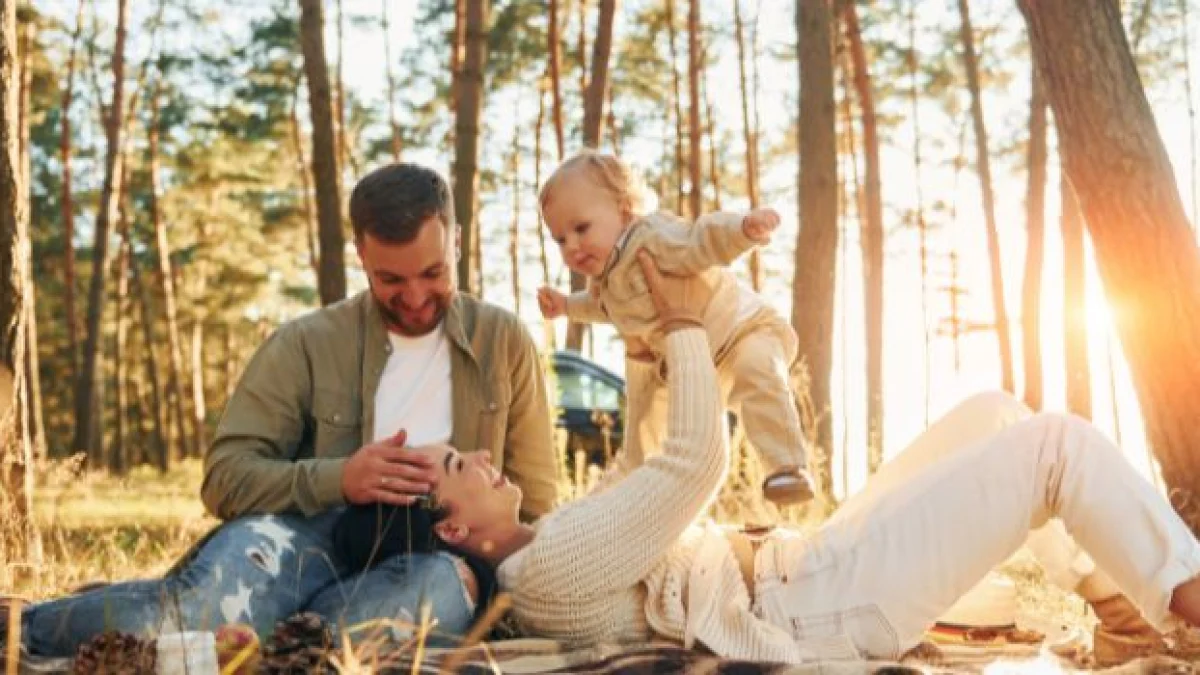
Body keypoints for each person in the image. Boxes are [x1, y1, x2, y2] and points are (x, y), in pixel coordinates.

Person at [383, 251, 1200, 664]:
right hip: (816, 609)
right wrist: (682, 325)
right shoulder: (550, 567)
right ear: (454, 531)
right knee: (1054, 443)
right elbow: (695, 463)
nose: (486, 459)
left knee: (994, 412)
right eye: (461, 465)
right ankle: (1188, 593)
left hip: (805, 565)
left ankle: (1124, 610)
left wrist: (647, 343)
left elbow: (643, 467)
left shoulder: (553, 538)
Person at [9, 163, 560, 657]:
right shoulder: (306, 343)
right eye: (390, 279)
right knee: (179, 619)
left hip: (433, 559)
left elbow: (534, 501)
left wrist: (492, 579)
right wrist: (338, 479)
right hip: (304, 537)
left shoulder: (503, 341)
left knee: (422, 599)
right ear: (361, 255)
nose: (415, 297)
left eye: (433, 273)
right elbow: (225, 479)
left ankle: (254, 652)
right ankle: (20, 625)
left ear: (456, 242)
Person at [535, 150, 813, 507]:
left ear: (623, 211)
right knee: (650, 417)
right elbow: (604, 309)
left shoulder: (650, 238)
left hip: (745, 329)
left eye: (581, 228)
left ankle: (786, 467)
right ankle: (630, 493)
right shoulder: (605, 280)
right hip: (702, 365)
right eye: (560, 239)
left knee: (756, 369)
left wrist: (742, 229)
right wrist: (565, 306)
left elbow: (700, 241)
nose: (571, 246)